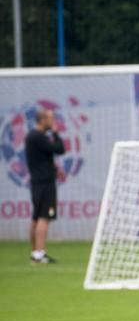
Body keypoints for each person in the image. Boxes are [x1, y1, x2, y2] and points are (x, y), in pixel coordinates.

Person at [25, 109, 66, 264]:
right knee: (44, 217)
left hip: (37, 182)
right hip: (45, 183)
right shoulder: (39, 136)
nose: (53, 121)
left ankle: (35, 252)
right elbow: (59, 149)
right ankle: (40, 254)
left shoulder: (32, 137)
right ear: (42, 120)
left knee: (36, 217)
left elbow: (42, 159)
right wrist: (55, 133)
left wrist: (55, 169)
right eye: (51, 118)